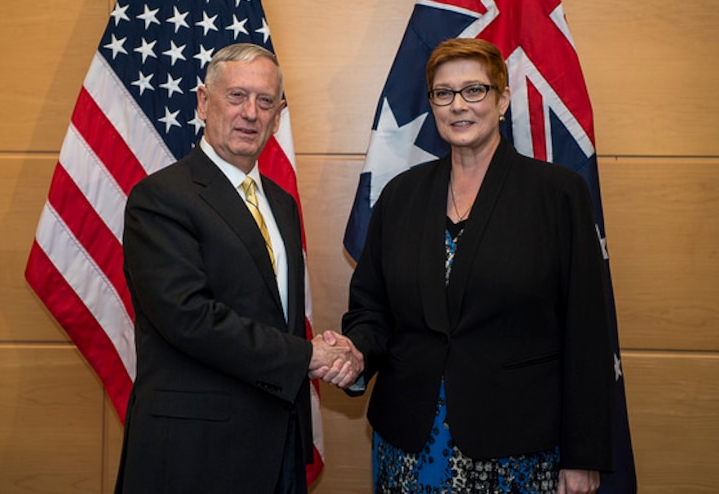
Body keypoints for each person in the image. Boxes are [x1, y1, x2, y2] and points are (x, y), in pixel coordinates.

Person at [338, 38, 614, 494]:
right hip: (408, 445)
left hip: (517, 448)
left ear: (502, 99)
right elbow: (372, 310)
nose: (458, 105)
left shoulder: (558, 195)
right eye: (443, 93)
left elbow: (587, 331)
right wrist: (356, 354)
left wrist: (583, 453)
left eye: (474, 90)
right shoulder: (400, 196)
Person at [115, 43, 358, 494]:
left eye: (265, 102)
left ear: (278, 114)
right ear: (204, 102)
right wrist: (309, 355)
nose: (251, 113)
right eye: (237, 96)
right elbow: (189, 318)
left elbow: (272, 315)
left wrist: (331, 351)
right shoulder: (161, 197)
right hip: (193, 454)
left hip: (277, 445)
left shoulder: (281, 204)